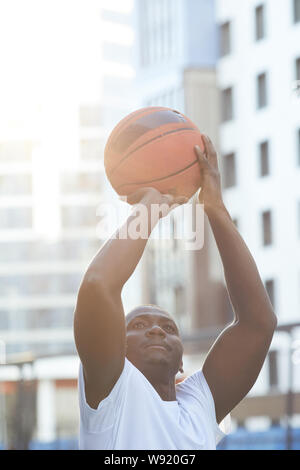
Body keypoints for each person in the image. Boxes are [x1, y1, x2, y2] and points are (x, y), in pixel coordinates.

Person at [73, 135, 277, 450]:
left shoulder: (198, 404)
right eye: (138, 326)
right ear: (116, 349)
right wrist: (150, 209)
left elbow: (258, 323)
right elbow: (99, 285)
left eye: (169, 328)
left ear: (182, 361)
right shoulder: (113, 390)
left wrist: (216, 209)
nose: (156, 329)